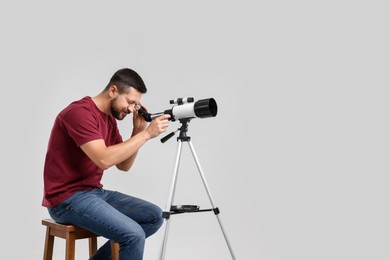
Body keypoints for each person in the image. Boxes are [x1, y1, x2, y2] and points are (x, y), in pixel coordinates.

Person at [42, 68, 170, 260]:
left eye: (135, 104)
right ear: (113, 91)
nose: (132, 109)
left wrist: (137, 131)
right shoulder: (79, 113)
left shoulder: (109, 120)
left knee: (154, 216)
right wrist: (146, 135)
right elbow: (104, 159)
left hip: (94, 193)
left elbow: (124, 165)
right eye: (130, 102)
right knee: (133, 235)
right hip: (65, 200)